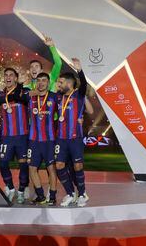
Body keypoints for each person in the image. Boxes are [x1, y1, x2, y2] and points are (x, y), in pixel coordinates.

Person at [55, 58, 89, 207]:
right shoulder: (57, 97)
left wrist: (79, 70)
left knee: (77, 167)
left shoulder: (78, 95)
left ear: (69, 83)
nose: (59, 85)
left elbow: (84, 85)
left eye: (61, 82)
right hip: (61, 139)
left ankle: (82, 194)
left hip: (76, 138)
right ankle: (70, 193)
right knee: (60, 165)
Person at [0, 68, 30, 204]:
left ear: (16, 78)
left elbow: (26, 98)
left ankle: (21, 191)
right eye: (6, 75)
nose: (8, 77)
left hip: (22, 136)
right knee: (2, 163)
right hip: (6, 136)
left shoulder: (24, 91)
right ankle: (10, 188)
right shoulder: (0, 95)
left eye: (11, 75)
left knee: (23, 165)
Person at [25, 73, 58, 205]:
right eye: (38, 81)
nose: (41, 83)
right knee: (32, 168)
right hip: (33, 140)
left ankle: (53, 197)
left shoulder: (54, 97)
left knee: (51, 168)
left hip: (49, 140)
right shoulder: (30, 97)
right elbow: (15, 95)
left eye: (44, 80)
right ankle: (40, 196)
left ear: (48, 82)